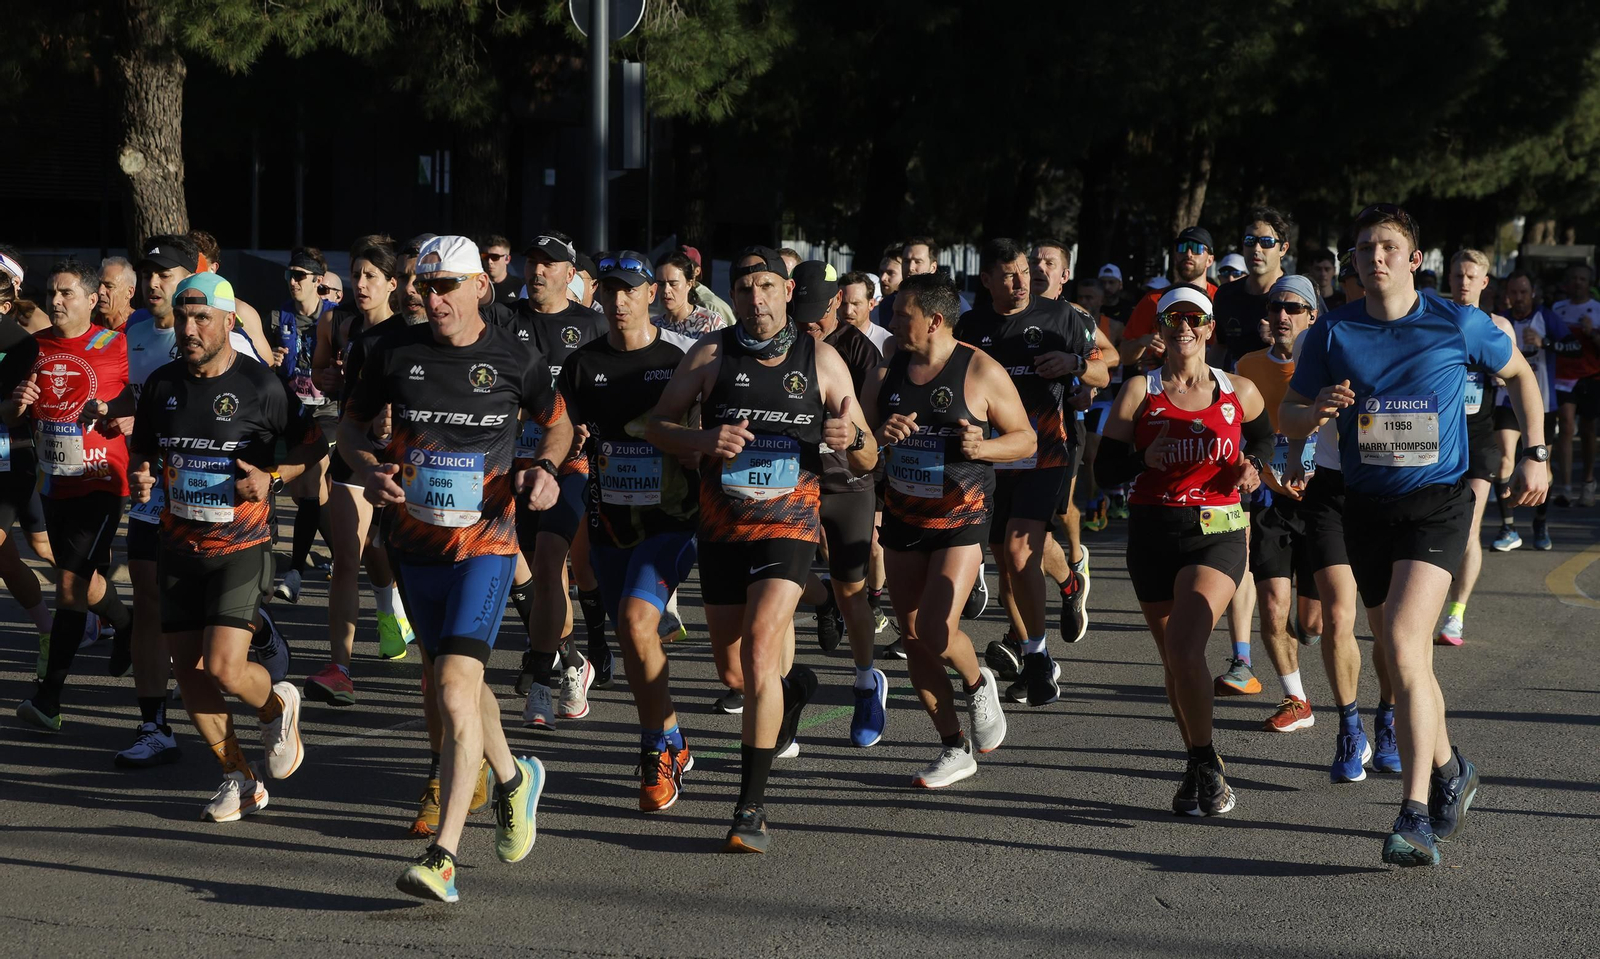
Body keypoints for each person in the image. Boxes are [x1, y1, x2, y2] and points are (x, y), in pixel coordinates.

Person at [1280, 204, 1547, 867]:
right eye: (1365, 246)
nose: (1375, 256)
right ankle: (1454, 766)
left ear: (1414, 259)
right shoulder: (1333, 331)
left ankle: (1415, 814)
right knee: (1404, 661)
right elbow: (1288, 413)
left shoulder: (1454, 321)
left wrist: (1535, 449)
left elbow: (1517, 373)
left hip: (1439, 503)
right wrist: (1311, 414)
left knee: (1403, 640)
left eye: (1389, 246)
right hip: (1367, 508)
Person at [343, 235, 569, 902]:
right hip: (415, 546)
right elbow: (350, 431)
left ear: (480, 289)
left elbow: (557, 424)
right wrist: (368, 467)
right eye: (425, 284)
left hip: (486, 547)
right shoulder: (394, 351)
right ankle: (514, 777)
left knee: (452, 686)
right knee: (457, 685)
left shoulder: (513, 357)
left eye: (446, 286)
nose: (431, 297)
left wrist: (548, 471)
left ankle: (442, 854)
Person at [647, 246, 877, 854]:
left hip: (790, 526)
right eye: (746, 288)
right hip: (722, 529)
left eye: (768, 287)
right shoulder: (710, 354)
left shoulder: (820, 360)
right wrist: (701, 437)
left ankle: (750, 808)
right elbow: (657, 425)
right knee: (735, 672)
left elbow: (869, 454)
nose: (756, 299)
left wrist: (850, 436)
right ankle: (795, 687)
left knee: (757, 651)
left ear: (787, 292)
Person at [126, 272, 318, 819]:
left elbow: (314, 443)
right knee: (186, 669)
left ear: (228, 322)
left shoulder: (262, 385)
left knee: (225, 668)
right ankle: (238, 776)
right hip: (178, 544)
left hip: (241, 543)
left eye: (201, 317)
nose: (189, 328)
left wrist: (273, 479)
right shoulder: (162, 385)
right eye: (183, 317)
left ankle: (278, 701)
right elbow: (144, 453)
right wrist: (142, 477)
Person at [1097, 285, 1269, 816]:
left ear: (1210, 328)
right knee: (1174, 659)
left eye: (1196, 318)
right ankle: (1200, 760)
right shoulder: (1138, 392)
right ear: (1162, 328)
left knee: (1187, 647)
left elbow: (1264, 441)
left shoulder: (1237, 389)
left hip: (1217, 533)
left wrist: (1253, 468)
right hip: (1152, 533)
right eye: (1174, 319)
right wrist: (1144, 459)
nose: (1185, 328)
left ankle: (1204, 759)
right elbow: (1103, 472)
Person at [115, 236, 273, 769]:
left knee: (217, 660)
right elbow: (138, 406)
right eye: (147, 273)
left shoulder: (238, 348)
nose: (153, 283)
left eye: (165, 273)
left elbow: (274, 421)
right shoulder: (135, 332)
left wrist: (268, 475)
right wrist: (134, 456)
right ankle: (154, 723)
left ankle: (252, 631)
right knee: (149, 606)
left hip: (233, 521)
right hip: (161, 501)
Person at [864, 271, 1026, 785]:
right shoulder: (887, 367)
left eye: (900, 314)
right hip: (903, 516)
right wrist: (878, 435)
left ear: (934, 320)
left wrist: (985, 448)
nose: (890, 323)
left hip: (961, 518)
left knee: (935, 630)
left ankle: (979, 684)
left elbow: (1025, 440)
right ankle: (954, 747)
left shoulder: (980, 370)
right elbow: (862, 448)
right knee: (913, 638)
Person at [561, 251, 700, 810]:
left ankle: (652, 752)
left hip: (671, 521)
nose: (618, 302)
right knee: (634, 637)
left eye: (630, 291)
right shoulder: (582, 363)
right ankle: (671, 736)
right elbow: (558, 428)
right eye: (610, 291)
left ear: (651, 296)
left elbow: (705, 433)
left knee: (637, 621)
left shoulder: (680, 361)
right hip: (609, 521)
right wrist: (560, 449)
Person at [958, 238, 1105, 707]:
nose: (1021, 282)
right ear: (987, 280)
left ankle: (1038, 654)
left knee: (1022, 551)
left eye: (1025, 271)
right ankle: (1033, 653)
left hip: (1046, 452)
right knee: (1006, 561)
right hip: (992, 456)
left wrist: (1077, 364)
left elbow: (1107, 368)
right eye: (1008, 274)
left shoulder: (1063, 316)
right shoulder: (971, 326)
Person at [9, 259, 135, 732]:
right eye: (51, 292)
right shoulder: (33, 347)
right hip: (54, 480)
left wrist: (117, 410)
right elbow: (12, 413)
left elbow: (141, 398)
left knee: (67, 585)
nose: (56, 301)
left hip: (103, 479)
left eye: (66, 293)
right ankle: (126, 624)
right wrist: (17, 403)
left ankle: (49, 698)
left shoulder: (114, 344)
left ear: (90, 299)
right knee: (78, 578)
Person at [302, 243, 414, 707]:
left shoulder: (408, 334)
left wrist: (392, 417)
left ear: (392, 283)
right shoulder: (344, 325)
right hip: (354, 451)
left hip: (403, 455)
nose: (360, 284)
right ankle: (341, 668)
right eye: (355, 275)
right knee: (348, 557)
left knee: (396, 556)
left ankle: (407, 630)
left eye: (371, 276)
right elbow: (323, 374)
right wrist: (329, 379)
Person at [508, 231, 611, 728]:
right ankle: (571, 659)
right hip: (514, 465)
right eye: (531, 262)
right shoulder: (506, 320)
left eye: (548, 264)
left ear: (571, 275)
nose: (537, 271)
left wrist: (590, 421)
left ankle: (543, 681)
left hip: (571, 463)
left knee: (551, 561)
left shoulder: (591, 325)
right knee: (529, 570)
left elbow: (609, 387)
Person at [791, 261, 888, 746]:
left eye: (818, 314)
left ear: (837, 303)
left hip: (848, 484)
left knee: (854, 594)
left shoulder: (860, 352)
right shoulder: (779, 344)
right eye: (800, 312)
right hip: (794, 481)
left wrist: (852, 437)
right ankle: (781, 693)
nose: (809, 323)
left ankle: (867, 680)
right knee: (780, 582)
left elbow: (874, 437)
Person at [1231, 275, 1328, 735]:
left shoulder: (1332, 361)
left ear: (1312, 315)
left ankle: (1308, 628)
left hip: (1323, 502)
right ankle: (1296, 698)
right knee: (1271, 604)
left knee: (1311, 622)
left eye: (1293, 308)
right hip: (1269, 499)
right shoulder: (1247, 365)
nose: (1282, 316)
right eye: (1275, 307)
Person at [1436, 251, 1519, 646]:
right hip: (1435, 439)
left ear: (1485, 282)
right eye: (1457, 276)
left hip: (1479, 437)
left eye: (1471, 276)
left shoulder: (1498, 326)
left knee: (1469, 529)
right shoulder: (1433, 319)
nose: (1463, 283)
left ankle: (1456, 614)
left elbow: (1514, 383)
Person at [0, 253, 53, 663]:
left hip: (9, 458)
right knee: (18, 553)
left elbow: (9, 410)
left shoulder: (20, 343)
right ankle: (53, 628)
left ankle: (55, 632)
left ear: (5, 304)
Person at [1490, 271, 1560, 552]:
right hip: (1506, 401)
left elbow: (1576, 348)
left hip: (1543, 402)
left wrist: (1546, 343)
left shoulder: (1548, 317)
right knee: (1505, 458)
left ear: (1533, 293)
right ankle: (1508, 527)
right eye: (1513, 292)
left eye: (1523, 292)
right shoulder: (1500, 321)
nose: (1519, 298)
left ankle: (1540, 522)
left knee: (1544, 465)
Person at [1117, 228, 1218, 369]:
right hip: (1161, 385)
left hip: (1208, 385)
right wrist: (1141, 342)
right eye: (1182, 248)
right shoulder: (1153, 300)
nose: (1188, 254)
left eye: (1197, 248)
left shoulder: (1222, 299)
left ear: (1210, 260)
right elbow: (1125, 357)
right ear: (1175, 255)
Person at [1547, 263, 1600, 507]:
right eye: (1574, 278)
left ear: (1589, 283)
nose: (1578, 282)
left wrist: (1593, 334)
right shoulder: (1558, 309)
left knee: (1588, 432)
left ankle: (1588, 481)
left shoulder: (1597, 310)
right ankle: (1565, 487)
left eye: (1582, 279)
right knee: (1566, 428)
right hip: (1563, 377)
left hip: (1590, 377)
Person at [653, 251, 725, 337]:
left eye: (673, 284)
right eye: (661, 284)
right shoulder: (652, 326)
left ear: (689, 284)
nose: (666, 290)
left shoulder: (710, 322)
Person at [680, 245, 736, 329]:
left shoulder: (710, 305)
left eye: (685, 267)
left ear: (697, 271)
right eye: (676, 267)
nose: (679, 272)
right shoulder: (668, 297)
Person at [839, 270, 895, 355]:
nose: (848, 311)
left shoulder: (886, 343)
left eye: (855, 304)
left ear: (871, 304)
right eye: (843, 303)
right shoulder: (826, 341)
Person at [95, 257, 137, 331]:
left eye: (109, 286)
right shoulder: (92, 325)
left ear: (129, 292)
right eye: (98, 285)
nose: (100, 291)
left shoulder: (138, 327)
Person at [480, 234, 522, 304]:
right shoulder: (478, 286)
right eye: (485, 256)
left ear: (507, 259)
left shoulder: (520, 287)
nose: (489, 261)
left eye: (495, 257)